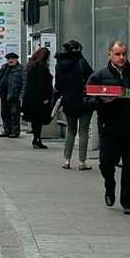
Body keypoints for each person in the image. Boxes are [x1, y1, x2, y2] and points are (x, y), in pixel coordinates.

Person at [87, 41, 130, 215]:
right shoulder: (99, 76)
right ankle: (109, 185)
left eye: (124, 54)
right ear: (109, 54)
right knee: (106, 162)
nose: (121, 57)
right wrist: (100, 100)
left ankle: (128, 201)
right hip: (109, 128)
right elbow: (87, 99)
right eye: (117, 54)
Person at [54, 40, 94, 170]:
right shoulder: (82, 62)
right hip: (84, 101)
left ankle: (67, 160)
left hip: (69, 101)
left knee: (71, 131)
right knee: (83, 131)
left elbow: (58, 85)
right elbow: (92, 79)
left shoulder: (60, 64)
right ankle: (82, 162)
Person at [22, 47, 54, 148]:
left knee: (35, 120)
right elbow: (42, 84)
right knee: (38, 120)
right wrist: (46, 97)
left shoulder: (31, 66)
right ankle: (37, 139)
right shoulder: (41, 67)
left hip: (31, 98)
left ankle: (36, 139)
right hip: (39, 99)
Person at [0, 52, 25, 138]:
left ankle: (15, 131)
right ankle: (7, 130)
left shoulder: (20, 69)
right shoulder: (4, 67)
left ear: (16, 59)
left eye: (12, 59)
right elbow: (0, 78)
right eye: (8, 59)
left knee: (14, 114)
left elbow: (24, 82)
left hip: (14, 94)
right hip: (4, 94)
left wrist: (21, 94)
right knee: (4, 113)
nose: (10, 60)